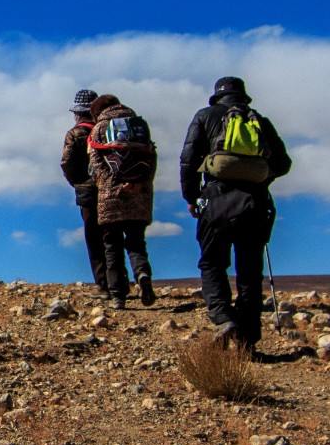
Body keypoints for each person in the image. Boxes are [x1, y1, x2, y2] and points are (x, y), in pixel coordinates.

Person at [178, 76, 291, 347]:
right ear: (243, 98)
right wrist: (262, 177)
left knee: (212, 263)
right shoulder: (258, 121)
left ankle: (223, 318)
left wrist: (192, 197)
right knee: (250, 272)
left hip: (215, 201)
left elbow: (188, 160)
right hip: (254, 203)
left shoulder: (204, 116)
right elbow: (283, 163)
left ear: (217, 97)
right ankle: (248, 340)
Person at [86, 93, 156, 307]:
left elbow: (97, 163)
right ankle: (142, 274)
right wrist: (140, 183)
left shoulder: (99, 129)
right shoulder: (139, 125)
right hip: (139, 196)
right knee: (136, 243)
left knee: (112, 246)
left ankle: (117, 296)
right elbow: (151, 156)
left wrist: (114, 185)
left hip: (111, 197)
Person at [59, 89, 108, 294]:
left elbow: (66, 163)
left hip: (87, 191)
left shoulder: (75, 134)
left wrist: (78, 183)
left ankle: (103, 285)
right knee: (112, 237)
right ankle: (120, 282)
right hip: (111, 188)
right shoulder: (108, 130)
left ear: (77, 113)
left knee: (94, 237)